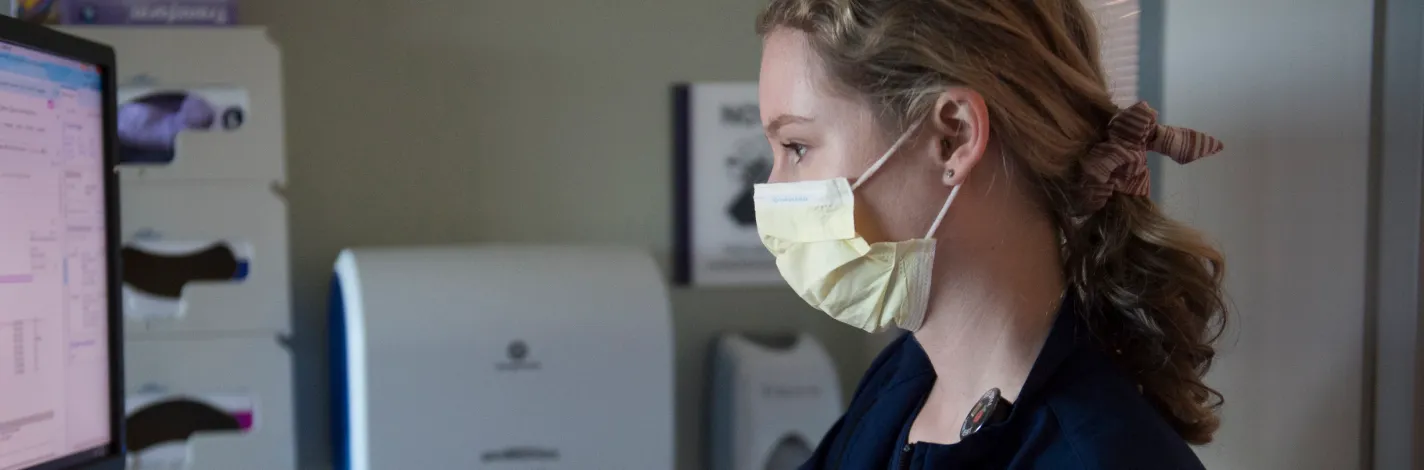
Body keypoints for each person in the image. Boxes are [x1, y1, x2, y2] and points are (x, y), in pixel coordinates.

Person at [750, 1, 1227, 468]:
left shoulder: (1102, 453)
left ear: (953, 137)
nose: (773, 189)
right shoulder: (902, 382)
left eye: (796, 147)